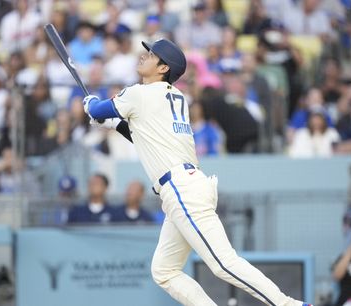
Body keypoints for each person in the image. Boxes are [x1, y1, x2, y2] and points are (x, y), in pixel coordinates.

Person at [82, 38, 312, 306]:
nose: (144, 55)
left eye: (152, 54)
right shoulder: (175, 96)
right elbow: (145, 136)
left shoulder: (139, 94)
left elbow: (98, 109)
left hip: (181, 189)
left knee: (223, 263)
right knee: (164, 271)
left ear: (163, 68)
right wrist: (112, 122)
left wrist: (91, 105)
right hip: (185, 186)